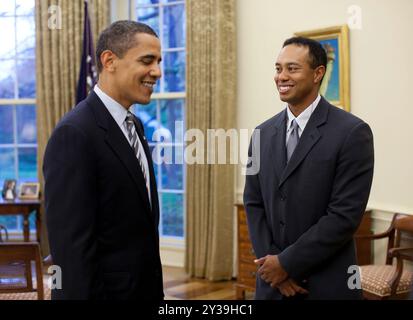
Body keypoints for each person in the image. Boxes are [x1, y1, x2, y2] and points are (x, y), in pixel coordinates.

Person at [243, 37, 374, 300]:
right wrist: (273, 269)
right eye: (278, 68)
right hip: (272, 288)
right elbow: (253, 202)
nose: (281, 76)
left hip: (327, 283)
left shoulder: (352, 133)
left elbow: (343, 217)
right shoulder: (262, 133)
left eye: (292, 68)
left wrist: (287, 264)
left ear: (318, 74)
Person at [43, 21, 163, 300]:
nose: (157, 72)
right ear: (109, 61)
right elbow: (70, 250)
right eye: (147, 60)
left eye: (158, 61)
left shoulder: (135, 126)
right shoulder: (74, 134)